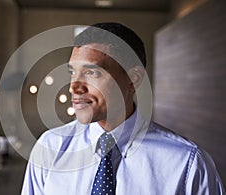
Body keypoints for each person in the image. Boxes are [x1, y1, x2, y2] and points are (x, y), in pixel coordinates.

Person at [21, 22, 225, 194]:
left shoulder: (187, 164)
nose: (74, 86)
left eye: (92, 73)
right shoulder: (49, 149)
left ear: (133, 79)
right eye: (73, 72)